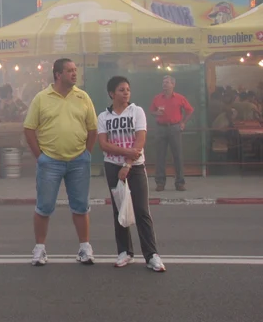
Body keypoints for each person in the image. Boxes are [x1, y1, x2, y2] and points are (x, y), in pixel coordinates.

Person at [23, 58, 98, 266]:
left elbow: (93, 129)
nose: (75, 74)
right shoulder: (41, 98)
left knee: (81, 206)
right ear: (58, 74)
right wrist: (40, 157)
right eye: (70, 71)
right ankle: (39, 249)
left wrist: (86, 154)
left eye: (75, 70)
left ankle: (85, 248)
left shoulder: (83, 97)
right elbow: (29, 129)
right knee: (44, 206)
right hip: (50, 162)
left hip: (78, 161)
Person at [97, 76, 166, 272]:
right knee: (119, 210)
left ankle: (151, 255)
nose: (126, 92)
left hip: (135, 167)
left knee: (142, 211)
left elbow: (140, 140)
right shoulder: (103, 117)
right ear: (111, 94)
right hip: (112, 167)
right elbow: (103, 144)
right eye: (121, 89)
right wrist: (126, 152)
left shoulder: (137, 111)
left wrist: (128, 163)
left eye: (128, 89)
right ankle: (124, 252)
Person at [149, 75, 194, 192]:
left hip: (174, 128)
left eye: (167, 82)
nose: (165, 84)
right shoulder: (157, 98)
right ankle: (160, 183)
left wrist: (183, 122)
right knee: (160, 156)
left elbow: (190, 110)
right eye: (163, 82)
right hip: (160, 128)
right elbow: (151, 111)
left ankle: (179, 183)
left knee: (177, 156)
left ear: (173, 85)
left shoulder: (180, 98)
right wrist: (156, 113)